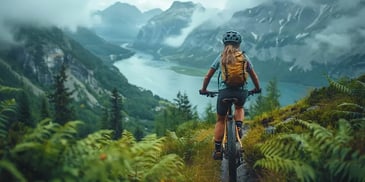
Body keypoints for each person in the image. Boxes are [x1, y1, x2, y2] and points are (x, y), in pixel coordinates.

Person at [199, 30, 261, 160]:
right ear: (239, 44)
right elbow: (254, 75)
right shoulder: (244, 57)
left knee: (221, 120)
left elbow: (208, 76)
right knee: (239, 107)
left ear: (224, 44)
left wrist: (204, 89)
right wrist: (257, 88)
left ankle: (217, 151)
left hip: (224, 92)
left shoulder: (221, 57)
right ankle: (238, 127)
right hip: (241, 92)